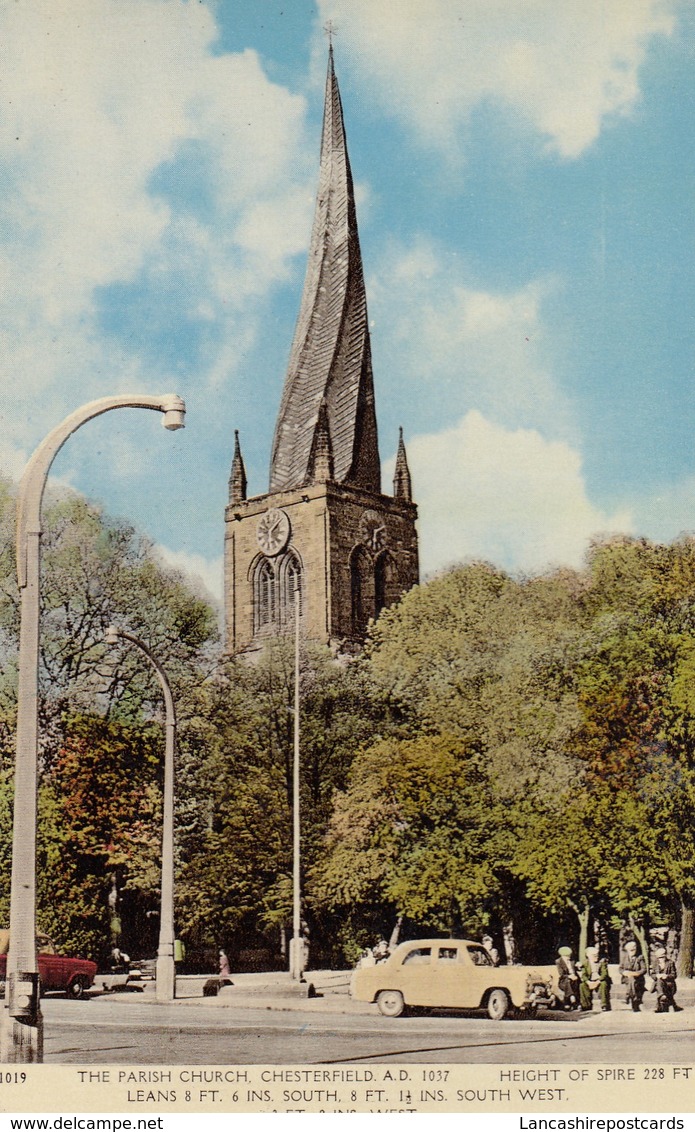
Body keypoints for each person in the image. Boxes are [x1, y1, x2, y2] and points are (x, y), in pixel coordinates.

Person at [579, 946, 611, 1012]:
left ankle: (604, 1005)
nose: (596, 957)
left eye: (597, 955)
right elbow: (584, 975)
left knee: (604, 984)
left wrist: (597, 982)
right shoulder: (585, 962)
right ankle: (586, 1005)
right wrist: (588, 982)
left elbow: (604, 974)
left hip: (599, 980)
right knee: (582, 985)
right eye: (594, 955)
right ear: (588, 956)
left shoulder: (602, 961)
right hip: (590, 980)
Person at [651, 946, 682, 1013]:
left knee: (659, 986)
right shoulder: (655, 963)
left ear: (665, 956)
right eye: (659, 957)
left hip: (669, 984)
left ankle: (659, 1004)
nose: (660, 959)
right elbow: (652, 974)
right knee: (659, 981)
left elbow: (674, 975)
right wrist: (656, 976)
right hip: (660, 983)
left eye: (662, 957)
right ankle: (669, 1002)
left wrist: (667, 976)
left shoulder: (670, 963)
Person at [619, 940, 646, 1011]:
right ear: (627, 950)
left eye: (634, 949)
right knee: (631, 979)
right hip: (626, 978)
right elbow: (620, 969)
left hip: (638, 979)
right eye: (631, 949)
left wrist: (636, 973)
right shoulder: (624, 957)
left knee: (632, 978)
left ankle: (627, 997)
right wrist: (624, 972)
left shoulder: (640, 957)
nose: (633, 951)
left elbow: (644, 969)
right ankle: (635, 1000)